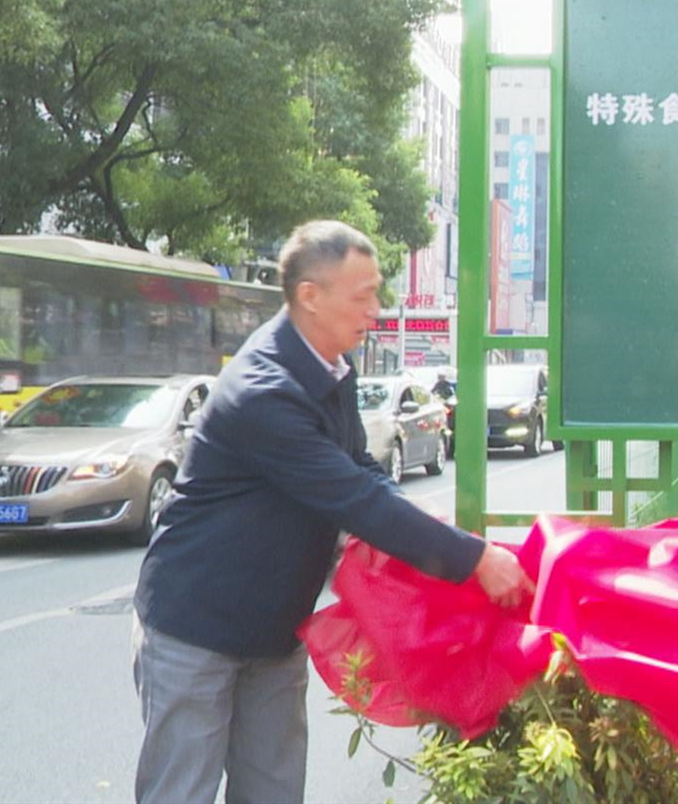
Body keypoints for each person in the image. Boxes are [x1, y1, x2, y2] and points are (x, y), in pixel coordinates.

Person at [131, 221, 531, 804]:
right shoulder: (263, 389)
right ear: (310, 296)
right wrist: (475, 559)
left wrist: (419, 516)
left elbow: (362, 469)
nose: (376, 307)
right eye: (362, 294)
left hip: (273, 627)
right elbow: (351, 497)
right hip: (195, 625)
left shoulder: (330, 366)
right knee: (180, 791)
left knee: (273, 790)